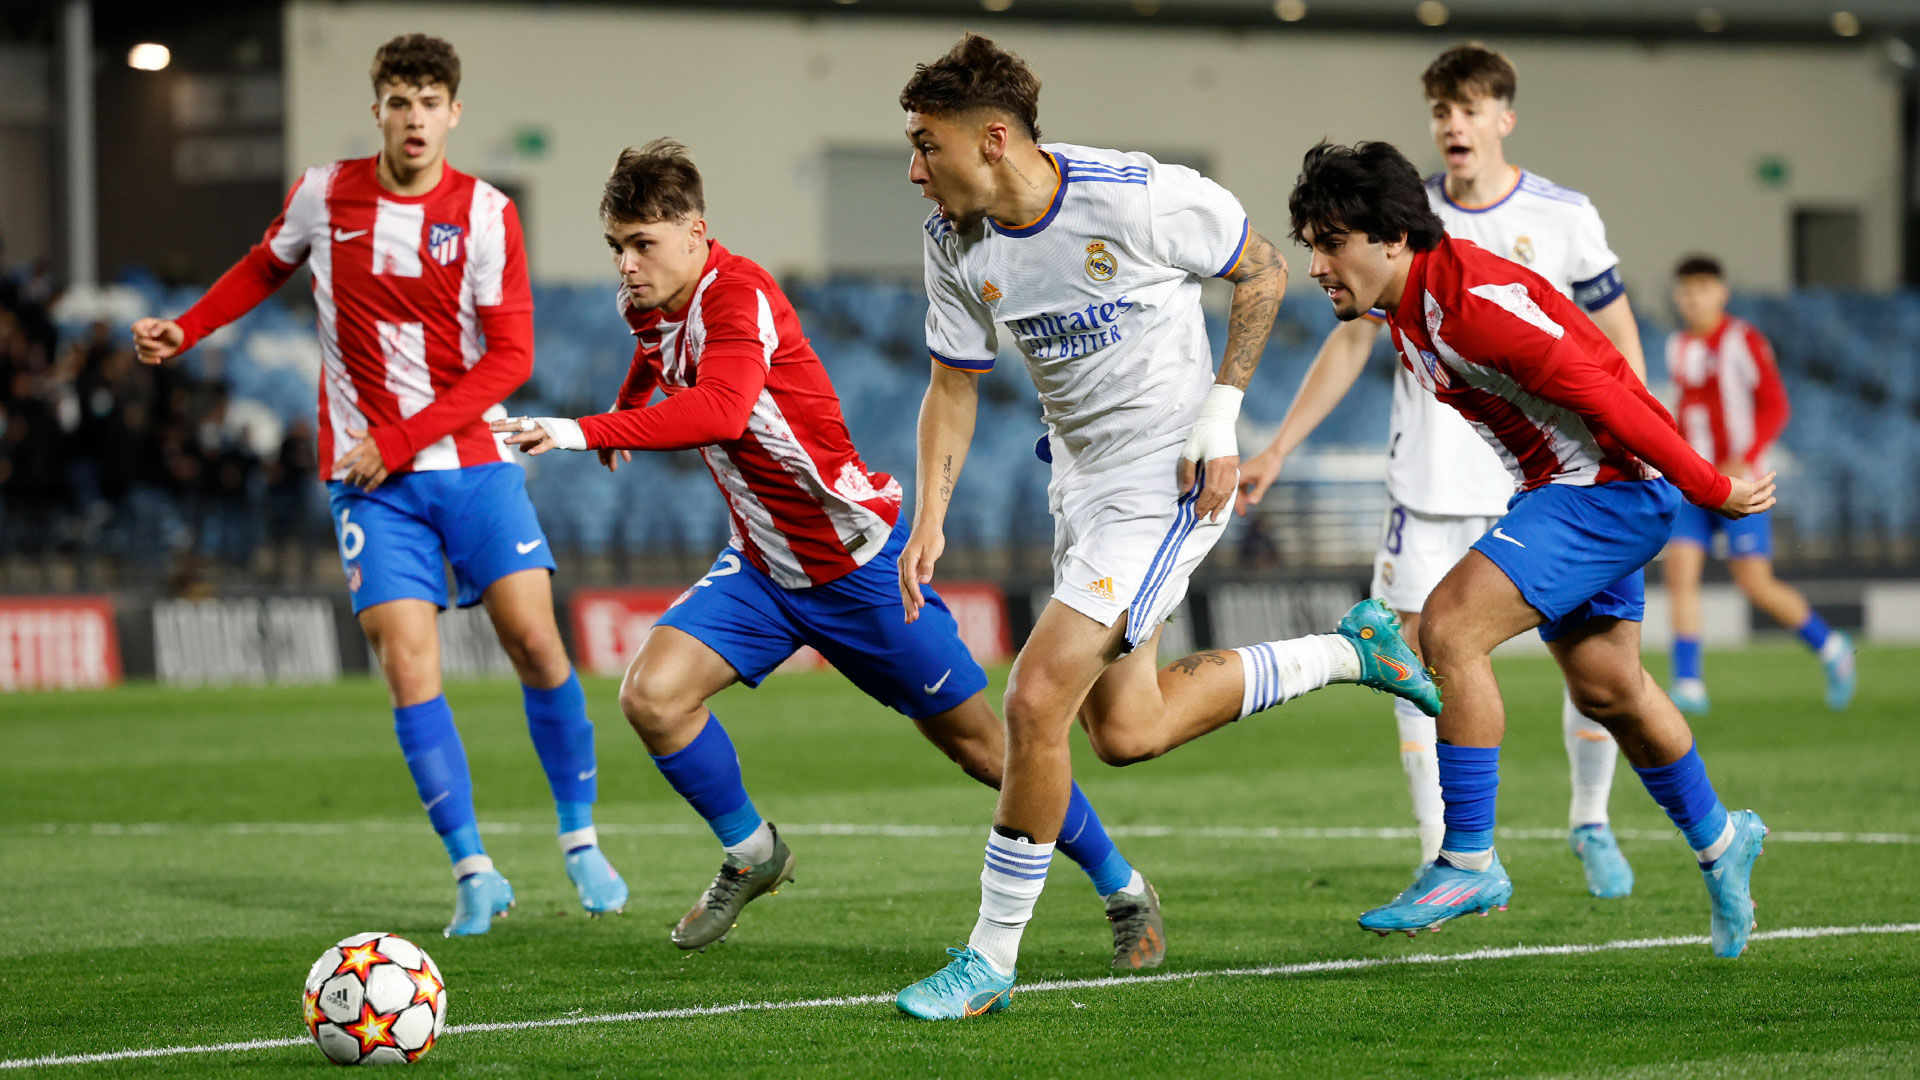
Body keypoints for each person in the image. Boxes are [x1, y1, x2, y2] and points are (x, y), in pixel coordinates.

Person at [492, 140, 1166, 970]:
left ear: (696, 232)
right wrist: (627, 403)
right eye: (617, 248)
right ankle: (752, 853)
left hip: (859, 568)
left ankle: (1124, 887)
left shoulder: (741, 296)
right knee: (653, 697)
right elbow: (657, 353)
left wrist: (578, 430)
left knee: (988, 750)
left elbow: (725, 408)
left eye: (642, 245)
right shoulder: (651, 303)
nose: (627, 266)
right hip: (765, 567)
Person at [890, 36, 1440, 1020]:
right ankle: (1349, 652)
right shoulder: (952, 243)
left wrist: (1223, 413)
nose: (915, 167)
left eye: (928, 145)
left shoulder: (1134, 197)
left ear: (996, 139)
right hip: (1081, 486)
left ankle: (990, 960)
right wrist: (927, 516)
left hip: (1168, 480)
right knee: (1127, 732)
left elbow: (1264, 273)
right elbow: (951, 386)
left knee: (1032, 701)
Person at [130, 34, 625, 936]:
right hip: (371, 485)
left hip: (469, 466)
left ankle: (580, 837)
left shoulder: (485, 213)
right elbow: (263, 264)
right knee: (407, 666)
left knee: (536, 647)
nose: (414, 118)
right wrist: (189, 329)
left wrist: (395, 438)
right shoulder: (325, 192)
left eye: (430, 101)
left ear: (453, 114)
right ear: (378, 111)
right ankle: (474, 869)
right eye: (399, 100)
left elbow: (512, 355)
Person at [1288, 140, 1774, 957]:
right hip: (1578, 490)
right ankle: (1725, 842)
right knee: (1609, 688)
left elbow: (1607, 388)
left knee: (1448, 629)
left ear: (1393, 239)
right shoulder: (1409, 298)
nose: (1316, 265)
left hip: (1608, 489)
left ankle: (1468, 859)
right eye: (1312, 245)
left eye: (1331, 242)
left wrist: (1708, 486)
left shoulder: (1471, 303)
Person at [1238, 43, 1648, 898]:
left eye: (1466, 109)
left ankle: (1591, 819)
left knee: (1595, 666)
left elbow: (1612, 337)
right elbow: (1351, 338)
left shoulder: (1565, 216)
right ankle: (1443, 850)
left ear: (1502, 118)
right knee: (1413, 660)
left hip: (1552, 480)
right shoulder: (1396, 214)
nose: (1451, 125)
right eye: (1439, 111)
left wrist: (1635, 442)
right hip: (1428, 485)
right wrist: (1278, 445)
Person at [1662, 254, 1856, 714]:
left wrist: (1744, 457)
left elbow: (1774, 405)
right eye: (1686, 290)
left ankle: (1831, 647)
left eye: (1703, 287)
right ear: (1676, 296)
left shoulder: (1742, 339)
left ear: (1722, 293)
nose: (1694, 298)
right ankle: (1688, 682)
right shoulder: (1676, 346)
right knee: (1679, 573)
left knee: (1754, 582)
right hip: (1695, 480)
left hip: (1742, 482)